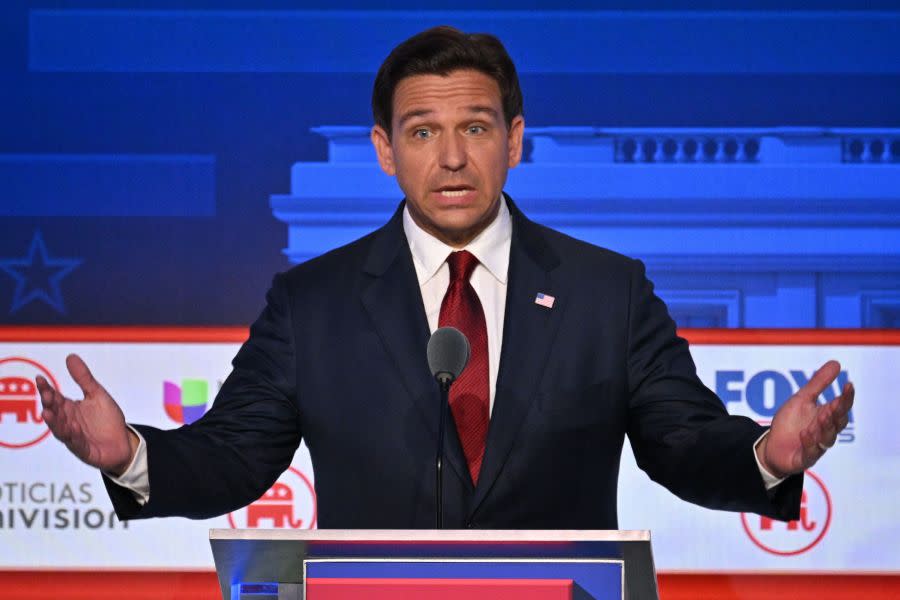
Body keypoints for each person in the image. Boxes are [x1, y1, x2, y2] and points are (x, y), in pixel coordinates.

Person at [36, 26, 853, 529]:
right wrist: (131, 455)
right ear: (386, 150)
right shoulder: (312, 304)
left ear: (515, 139)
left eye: (476, 126)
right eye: (423, 131)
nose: (453, 156)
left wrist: (765, 456)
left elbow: (683, 444)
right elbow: (235, 457)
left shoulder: (609, 293)